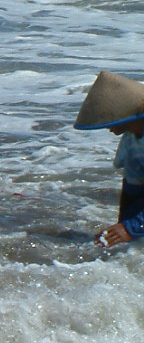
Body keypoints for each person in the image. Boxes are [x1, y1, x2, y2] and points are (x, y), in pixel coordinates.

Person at [72, 70, 144, 248]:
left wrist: (132, 228)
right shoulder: (131, 140)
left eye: (112, 120)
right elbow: (133, 189)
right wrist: (119, 233)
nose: (108, 127)